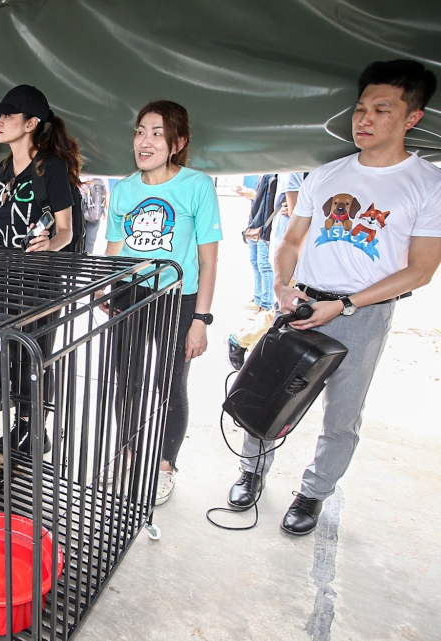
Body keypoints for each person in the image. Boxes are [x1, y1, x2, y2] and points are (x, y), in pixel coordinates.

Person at [229, 59, 441, 536]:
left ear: (413, 118)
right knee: (266, 392)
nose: (364, 120)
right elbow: (288, 241)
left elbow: (422, 270)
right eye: (360, 108)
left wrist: (344, 305)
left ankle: (312, 493)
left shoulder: (428, 184)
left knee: (341, 416)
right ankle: (251, 472)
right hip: (302, 304)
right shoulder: (325, 174)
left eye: (381, 110)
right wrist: (283, 287)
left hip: (360, 315)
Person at [103, 100, 222, 506]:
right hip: (129, 295)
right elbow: (114, 248)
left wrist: (201, 319)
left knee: (169, 384)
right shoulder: (123, 189)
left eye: (157, 133)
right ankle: (128, 452)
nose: (145, 141)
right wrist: (108, 288)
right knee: (127, 380)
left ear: (178, 142)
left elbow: (208, 260)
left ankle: (165, 466)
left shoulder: (197, 185)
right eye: (140, 131)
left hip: (178, 298)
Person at [0, 84, 80, 454]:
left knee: (36, 359)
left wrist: (50, 243)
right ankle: (20, 426)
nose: (0, 121)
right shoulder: (0, 170)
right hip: (4, 281)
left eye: (9, 115)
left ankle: (35, 430)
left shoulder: (50, 167)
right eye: (0, 116)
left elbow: (67, 230)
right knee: (13, 357)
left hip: (40, 283)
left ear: (31, 123)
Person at [236, 174, 278, 312]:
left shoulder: (274, 176)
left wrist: (253, 194)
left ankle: (266, 304)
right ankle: (259, 298)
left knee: (264, 265)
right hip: (256, 225)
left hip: (265, 227)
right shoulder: (263, 176)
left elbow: (268, 201)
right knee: (256, 262)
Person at [83, 177, 108, 254]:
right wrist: (106, 211)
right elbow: (106, 193)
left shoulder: (82, 174)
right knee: (90, 241)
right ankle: (87, 261)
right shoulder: (102, 175)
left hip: (81, 210)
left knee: (77, 239)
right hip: (95, 212)